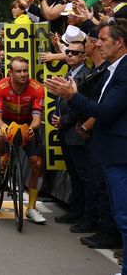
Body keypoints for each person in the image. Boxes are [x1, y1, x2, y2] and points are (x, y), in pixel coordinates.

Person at [45, 19, 127, 275]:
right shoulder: (113, 69)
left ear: (119, 42)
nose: (97, 44)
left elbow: (105, 110)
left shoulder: (124, 70)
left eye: (102, 39)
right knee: (121, 214)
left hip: (119, 154)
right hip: (110, 153)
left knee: (124, 217)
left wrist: (73, 96)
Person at [0, 57, 47, 224]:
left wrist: (32, 128)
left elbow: (37, 118)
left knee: (36, 163)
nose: (23, 74)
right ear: (10, 73)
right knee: (0, 134)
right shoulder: (0, 87)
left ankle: (32, 208)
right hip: (6, 121)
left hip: (27, 123)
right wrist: (3, 127)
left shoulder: (37, 88)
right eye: (19, 71)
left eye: (25, 71)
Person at [50, 40, 92, 227]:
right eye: (68, 51)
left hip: (76, 132)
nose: (69, 55)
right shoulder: (69, 73)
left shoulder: (85, 76)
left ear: (83, 56)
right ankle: (76, 211)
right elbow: (63, 103)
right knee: (74, 174)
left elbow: (81, 106)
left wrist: (64, 121)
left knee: (83, 175)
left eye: (75, 53)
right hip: (66, 132)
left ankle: (86, 216)